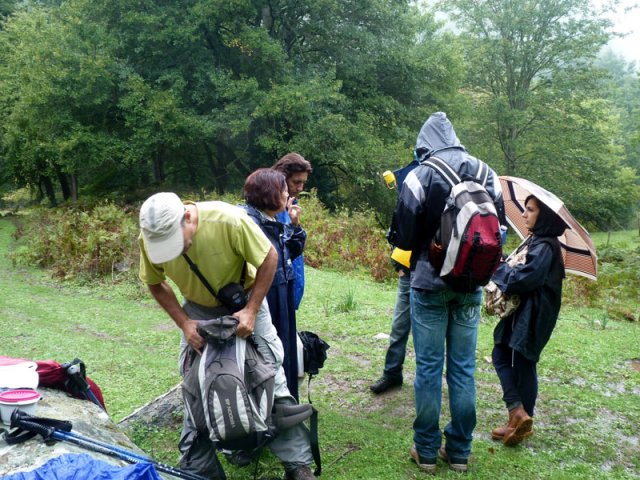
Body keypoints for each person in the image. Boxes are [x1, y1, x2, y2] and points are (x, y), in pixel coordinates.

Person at [138, 192, 317, 480]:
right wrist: (184, 323)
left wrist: (251, 309)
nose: (170, 251)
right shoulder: (152, 237)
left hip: (244, 301)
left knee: (269, 376)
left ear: (187, 216)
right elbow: (155, 282)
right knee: (196, 384)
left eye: (174, 241)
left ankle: (297, 466)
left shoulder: (228, 219)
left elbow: (269, 257)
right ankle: (201, 470)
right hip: (197, 312)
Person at [390, 112, 505, 474]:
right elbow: (498, 232)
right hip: (470, 285)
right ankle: (459, 452)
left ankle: (425, 451)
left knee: (427, 368)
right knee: (463, 369)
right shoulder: (488, 174)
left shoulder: (421, 174)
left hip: (427, 285)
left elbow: (405, 239)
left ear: (425, 142)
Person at [490, 195, 566, 446]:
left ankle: (520, 417)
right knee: (506, 354)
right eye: (525, 209)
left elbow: (526, 279)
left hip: (534, 313)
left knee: (520, 361)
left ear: (543, 216)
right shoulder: (537, 241)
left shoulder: (546, 245)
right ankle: (518, 417)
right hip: (525, 310)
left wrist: (501, 268)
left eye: (530, 210)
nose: (524, 214)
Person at [243, 168, 307, 401]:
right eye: (283, 190)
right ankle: (272, 406)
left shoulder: (270, 220)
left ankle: (286, 402)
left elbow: (288, 251)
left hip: (282, 292)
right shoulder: (250, 223)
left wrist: (294, 225)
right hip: (266, 297)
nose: (288, 194)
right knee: (269, 352)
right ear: (270, 193)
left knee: (285, 349)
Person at [272, 153, 313, 310]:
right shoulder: (270, 208)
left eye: (303, 183)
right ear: (282, 178)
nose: (300, 188)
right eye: (296, 182)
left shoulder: (291, 204)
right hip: (277, 290)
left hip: (291, 288)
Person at [369, 249, 411, 394]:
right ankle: (392, 375)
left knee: (426, 338)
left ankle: (428, 384)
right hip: (409, 274)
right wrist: (399, 267)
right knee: (398, 328)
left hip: (432, 278)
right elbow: (395, 233)